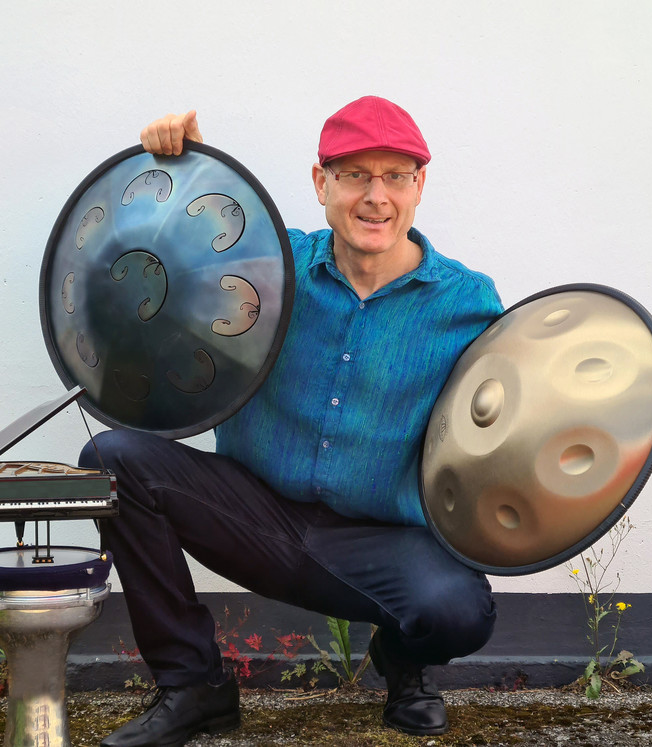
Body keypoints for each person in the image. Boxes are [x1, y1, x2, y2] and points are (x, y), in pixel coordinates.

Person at [81, 96, 504, 747]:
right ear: (320, 182)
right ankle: (194, 687)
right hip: (253, 514)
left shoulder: (469, 302)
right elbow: (178, 256)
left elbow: (498, 430)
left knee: (460, 609)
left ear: (420, 186)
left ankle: (402, 660)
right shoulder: (269, 265)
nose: (376, 196)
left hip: (379, 542)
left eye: (395, 176)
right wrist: (187, 163)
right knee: (113, 460)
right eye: (355, 175)